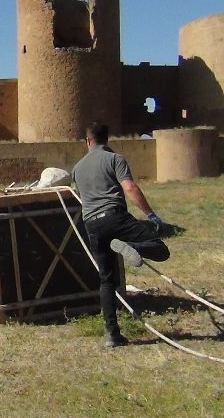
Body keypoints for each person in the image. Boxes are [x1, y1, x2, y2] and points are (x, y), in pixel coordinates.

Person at [72, 123, 170, 347]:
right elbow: (130, 188)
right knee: (160, 249)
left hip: (92, 225)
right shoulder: (115, 159)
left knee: (106, 280)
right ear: (107, 139)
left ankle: (112, 335)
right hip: (114, 216)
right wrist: (152, 215)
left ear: (87, 141)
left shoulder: (77, 168)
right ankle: (134, 248)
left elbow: (81, 196)